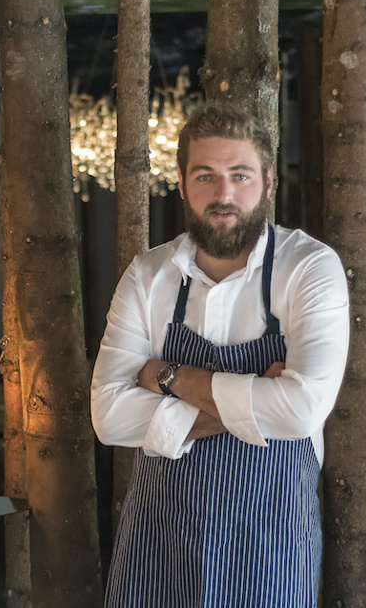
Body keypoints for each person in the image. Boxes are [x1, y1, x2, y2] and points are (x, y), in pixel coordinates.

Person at [90, 103, 349, 607]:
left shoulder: (308, 268)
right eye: (205, 176)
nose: (224, 194)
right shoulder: (148, 276)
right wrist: (255, 400)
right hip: (160, 536)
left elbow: (300, 411)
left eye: (240, 175)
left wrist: (169, 376)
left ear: (268, 182)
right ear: (182, 185)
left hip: (272, 538)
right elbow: (108, 417)